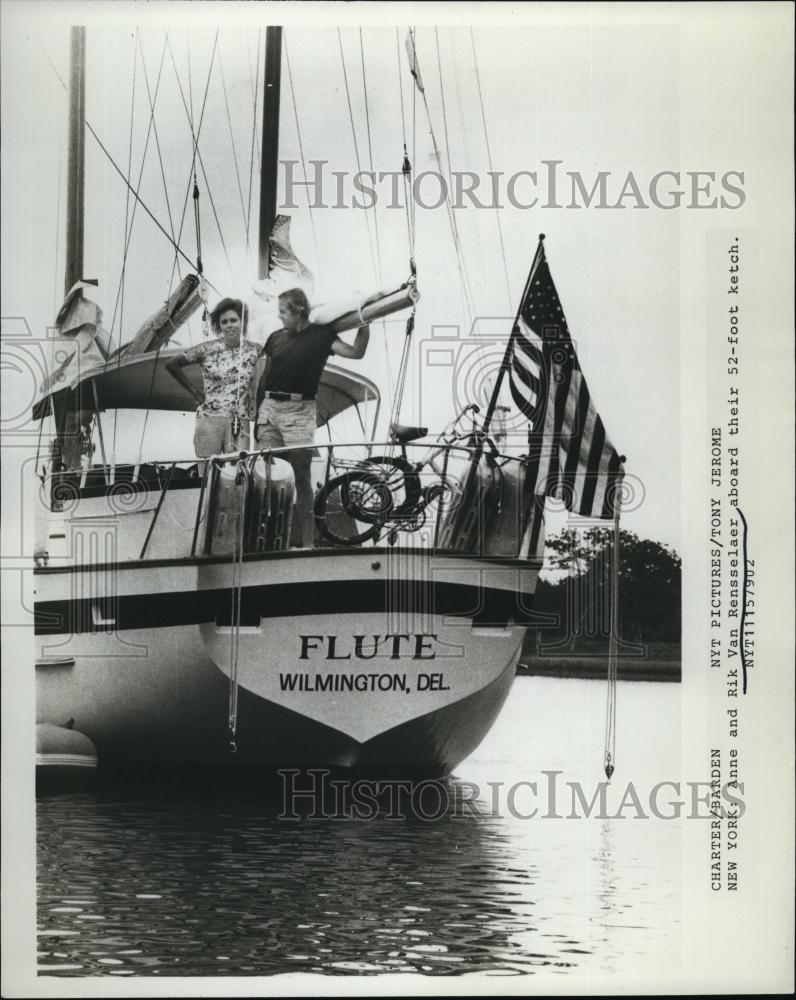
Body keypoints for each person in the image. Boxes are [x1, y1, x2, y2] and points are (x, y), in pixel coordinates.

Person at [255, 287, 370, 547]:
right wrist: (257, 412)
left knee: (301, 476)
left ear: (298, 311)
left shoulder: (321, 336)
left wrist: (365, 322)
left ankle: (307, 542)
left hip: (299, 410)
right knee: (265, 475)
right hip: (269, 408)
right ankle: (270, 541)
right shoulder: (274, 338)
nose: (280, 317)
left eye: (283, 312)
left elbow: (356, 353)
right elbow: (265, 376)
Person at [166, 297, 259, 458]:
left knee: (238, 473)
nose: (229, 325)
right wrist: (194, 392)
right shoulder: (206, 349)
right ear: (219, 325)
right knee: (209, 474)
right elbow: (172, 364)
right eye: (224, 322)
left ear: (242, 322)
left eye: (233, 320)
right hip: (209, 419)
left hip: (239, 420)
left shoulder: (254, 350)